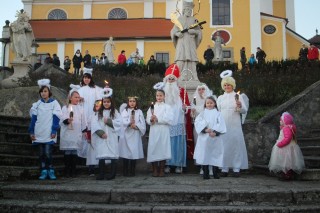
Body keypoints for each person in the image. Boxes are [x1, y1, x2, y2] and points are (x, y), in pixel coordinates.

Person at [28, 79, 62, 180]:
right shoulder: (36, 105)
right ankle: (43, 170)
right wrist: (31, 131)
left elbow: (56, 118)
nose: (43, 93)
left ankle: (50, 170)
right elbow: (33, 119)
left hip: (49, 132)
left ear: (49, 92)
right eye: (42, 91)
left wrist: (54, 130)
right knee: (41, 153)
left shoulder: (54, 103)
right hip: (39, 132)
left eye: (45, 91)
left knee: (48, 152)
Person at [217, 70, 248, 177]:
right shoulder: (220, 98)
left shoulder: (238, 97)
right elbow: (218, 111)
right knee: (224, 145)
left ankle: (236, 168)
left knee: (235, 145)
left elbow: (244, 110)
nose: (227, 86)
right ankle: (224, 168)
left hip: (235, 124)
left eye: (228, 85)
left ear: (232, 85)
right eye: (225, 85)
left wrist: (239, 106)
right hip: (224, 124)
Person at [163, 64, 192, 174]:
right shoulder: (162, 91)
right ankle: (167, 164)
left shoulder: (182, 91)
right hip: (167, 122)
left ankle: (178, 164)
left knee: (178, 143)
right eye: (169, 78)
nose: (170, 80)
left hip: (179, 120)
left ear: (176, 80)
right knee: (168, 144)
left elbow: (188, 107)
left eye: (172, 79)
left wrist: (185, 108)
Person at [91, 88, 122, 180]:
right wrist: (100, 133)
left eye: (108, 102)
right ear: (102, 102)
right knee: (102, 155)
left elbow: (119, 123)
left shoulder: (115, 112)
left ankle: (112, 174)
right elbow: (94, 124)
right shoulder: (98, 113)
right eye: (104, 102)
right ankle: (101, 173)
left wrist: (108, 121)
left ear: (111, 102)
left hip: (111, 136)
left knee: (112, 154)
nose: (106, 103)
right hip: (102, 137)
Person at [194, 96, 227, 179]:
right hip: (204, 138)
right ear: (205, 104)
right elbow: (198, 122)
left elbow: (221, 124)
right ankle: (206, 173)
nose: (209, 104)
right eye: (207, 103)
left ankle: (216, 172)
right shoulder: (202, 113)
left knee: (215, 154)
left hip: (215, 138)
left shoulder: (218, 114)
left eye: (211, 103)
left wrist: (215, 132)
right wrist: (205, 130)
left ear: (214, 103)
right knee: (205, 154)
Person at [78, 68, 103, 176]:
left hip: (93, 117)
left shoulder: (96, 89)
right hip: (83, 117)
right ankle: (89, 165)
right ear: (83, 78)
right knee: (86, 140)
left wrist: (95, 111)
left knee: (95, 141)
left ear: (91, 78)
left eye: (88, 78)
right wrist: (80, 100)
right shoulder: (79, 90)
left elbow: (100, 101)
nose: (86, 79)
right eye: (85, 77)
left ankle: (96, 165)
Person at [59, 85, 87, 178]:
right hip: (68, 133)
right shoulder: (65, 108)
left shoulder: (81, 108)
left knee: (74, 151)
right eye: (75, 97)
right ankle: (67, 170)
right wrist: (67, 120)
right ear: (70, 98)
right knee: (68, 152)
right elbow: (62, 118)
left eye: (79, 97)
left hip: (76, 133)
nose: (77, 99)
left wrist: (84, 130)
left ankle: (73, 171)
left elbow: (84, 120)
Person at [146, 84, 174, 177]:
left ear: (164, 96)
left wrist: (158, 119)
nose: (159, 97)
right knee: (154, 148)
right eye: (157, 95)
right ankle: (154, 169)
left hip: (163, 130)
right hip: (154, 130)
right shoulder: (152, 107)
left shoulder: (167, 107)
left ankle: (161, 169)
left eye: (161, 95)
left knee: (163, 148)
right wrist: (151, 120)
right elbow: (147, 118)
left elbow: (169, 119)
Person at [170, 0, 202, 81]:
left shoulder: (194, 20)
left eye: (190, 10)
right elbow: (173, 31)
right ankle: (179, 77)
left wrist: (194, 32)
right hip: (181, 42)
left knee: (192, 60)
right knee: (180, 59)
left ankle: (194, 77)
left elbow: (199, 31)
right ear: (183, 10)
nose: (189, 11)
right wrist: (177, 34)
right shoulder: (179, 19)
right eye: (187, 10)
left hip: (190, 42)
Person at [268, 112, 305, 181]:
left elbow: (287, 139)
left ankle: (287, 175)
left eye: (281, 120)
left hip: (285, 148)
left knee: (286, 162)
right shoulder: (287, 128)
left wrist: (280, 144)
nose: (280, 121)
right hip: (288, 147)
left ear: (285, 121)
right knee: (287, 162)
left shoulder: (286, 128)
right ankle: (286, 174)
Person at [190, 83, 215, 175]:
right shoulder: (194, 101)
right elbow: (193, 117)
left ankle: (212, 166)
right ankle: (202, 167)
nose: (201, 91)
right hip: (199, 128)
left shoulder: (210, 100)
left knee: (210, 146)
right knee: (200, 146)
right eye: (199, 89)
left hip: (210, 127)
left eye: (203, 89)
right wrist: (192, 112)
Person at [119, 96, 146, 177]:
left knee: (134, 153)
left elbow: (142, 123)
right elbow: (122, 121)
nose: (132, 103)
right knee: (126, 152)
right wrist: (129, 123)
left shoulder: (139, 111)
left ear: (136, 102)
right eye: (130, 101)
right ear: (128, 102)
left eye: (134, 101)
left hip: (135, 134)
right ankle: (125, 171)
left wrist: (136, 126)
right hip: (126, 134)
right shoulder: (125, 111)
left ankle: (132, 171)